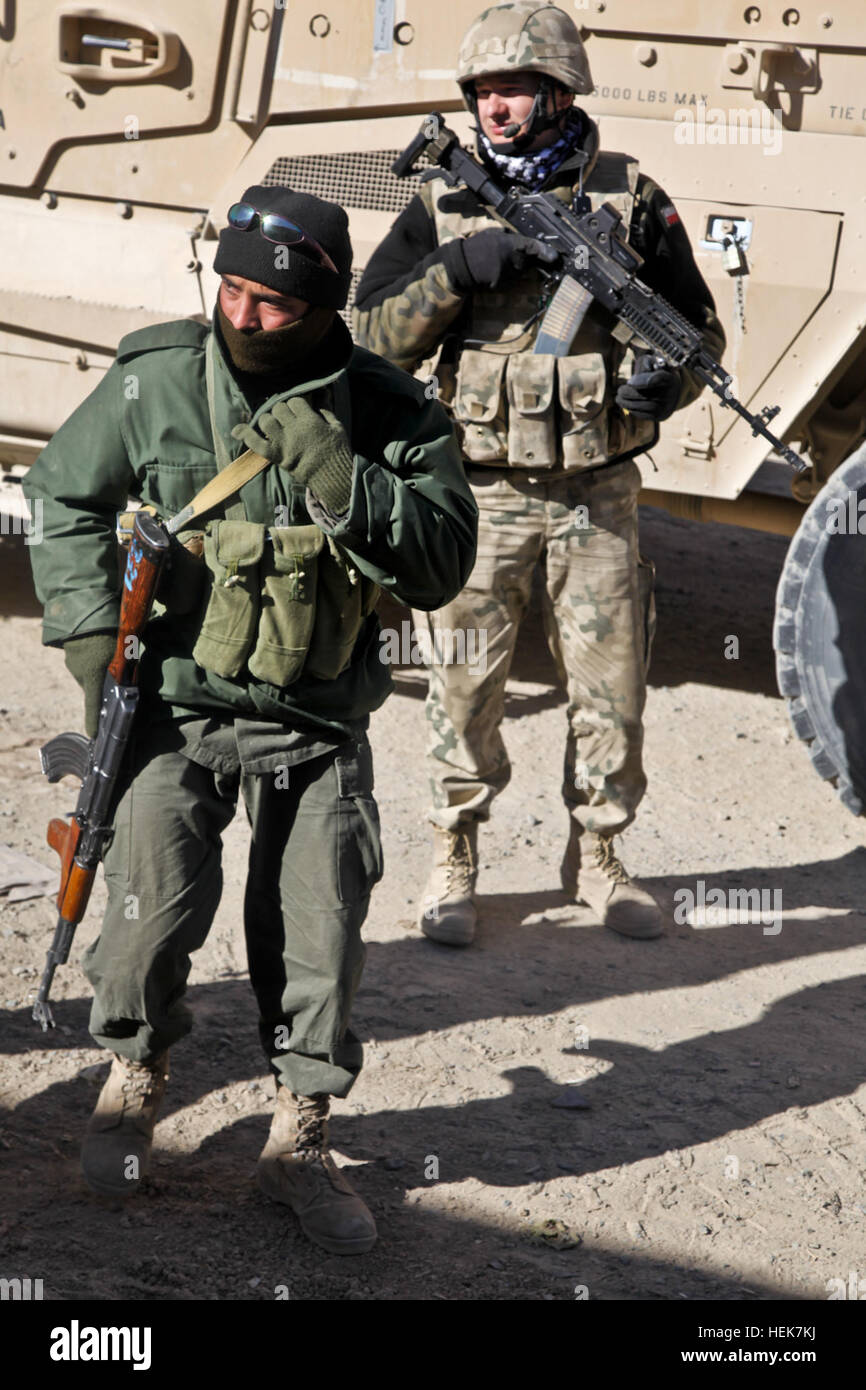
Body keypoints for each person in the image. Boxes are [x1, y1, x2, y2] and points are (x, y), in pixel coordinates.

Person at [23, 186, 477, 1255]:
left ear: (321, 305)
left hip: (317, 723)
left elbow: (442, 560)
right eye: (228, 289)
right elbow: (60, 497)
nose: (244, 315)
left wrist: (340, 476)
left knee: (318, 928)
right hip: (175, 711)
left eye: (271, 301)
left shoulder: (390, 411)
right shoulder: (158, 380)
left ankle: (298, 1137)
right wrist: (97, 643)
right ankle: (132, 1074)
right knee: (144, 910)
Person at [353, 1, 725, 947]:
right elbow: (370, 341)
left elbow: (697, 331)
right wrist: (459, 269)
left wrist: (663, 383)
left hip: (597, 493)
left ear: (560, 93)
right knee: (464, 684)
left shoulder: (631, 198)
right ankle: (454, 851)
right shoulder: (445, 201)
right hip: (478, 493)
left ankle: (600, 854)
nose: (496, 106)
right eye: (483, 90)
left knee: (612, 687)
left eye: (514, 88)